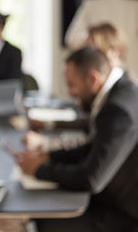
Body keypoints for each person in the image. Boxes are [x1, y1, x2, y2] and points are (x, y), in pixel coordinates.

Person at [17, 47, 138, 231]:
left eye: (72, 85)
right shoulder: (121, 90)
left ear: (93, 79)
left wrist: (39, 169)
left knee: (45, 219)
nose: (70, 93)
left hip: (122, 213)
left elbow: (91, 179)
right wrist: (50, 156)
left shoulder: (118, 110)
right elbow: (93, 146)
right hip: (114, 198)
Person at [25, 22, 129, 152]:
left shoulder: (122, 96)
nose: (86, 57)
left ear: (113, 53)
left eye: (92, 50)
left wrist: (45, 143)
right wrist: (48, 124)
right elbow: (90, 123)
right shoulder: (109, 88)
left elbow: (93, 144)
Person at [65, 0, 138, 75]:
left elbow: (72, 41)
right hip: (133, 73)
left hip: (101, 73)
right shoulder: (134, 6)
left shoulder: (90, 6)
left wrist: (93, 47)